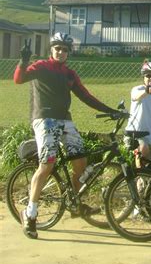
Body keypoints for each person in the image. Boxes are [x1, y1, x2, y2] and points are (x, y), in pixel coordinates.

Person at [13, 32, 119, 240]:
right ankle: (31, 212)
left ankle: (75, 203)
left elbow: (86, 96)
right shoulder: (41, 66)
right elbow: (19, 79)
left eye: (64, 49)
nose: (61, 52)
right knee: (47, 163)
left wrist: (110, 111)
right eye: (57, 48)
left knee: (81, 162)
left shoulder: (69, 74)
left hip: (65, 120)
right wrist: (23, 61)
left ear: (69, 53)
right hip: (45, 119)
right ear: (51, 49)